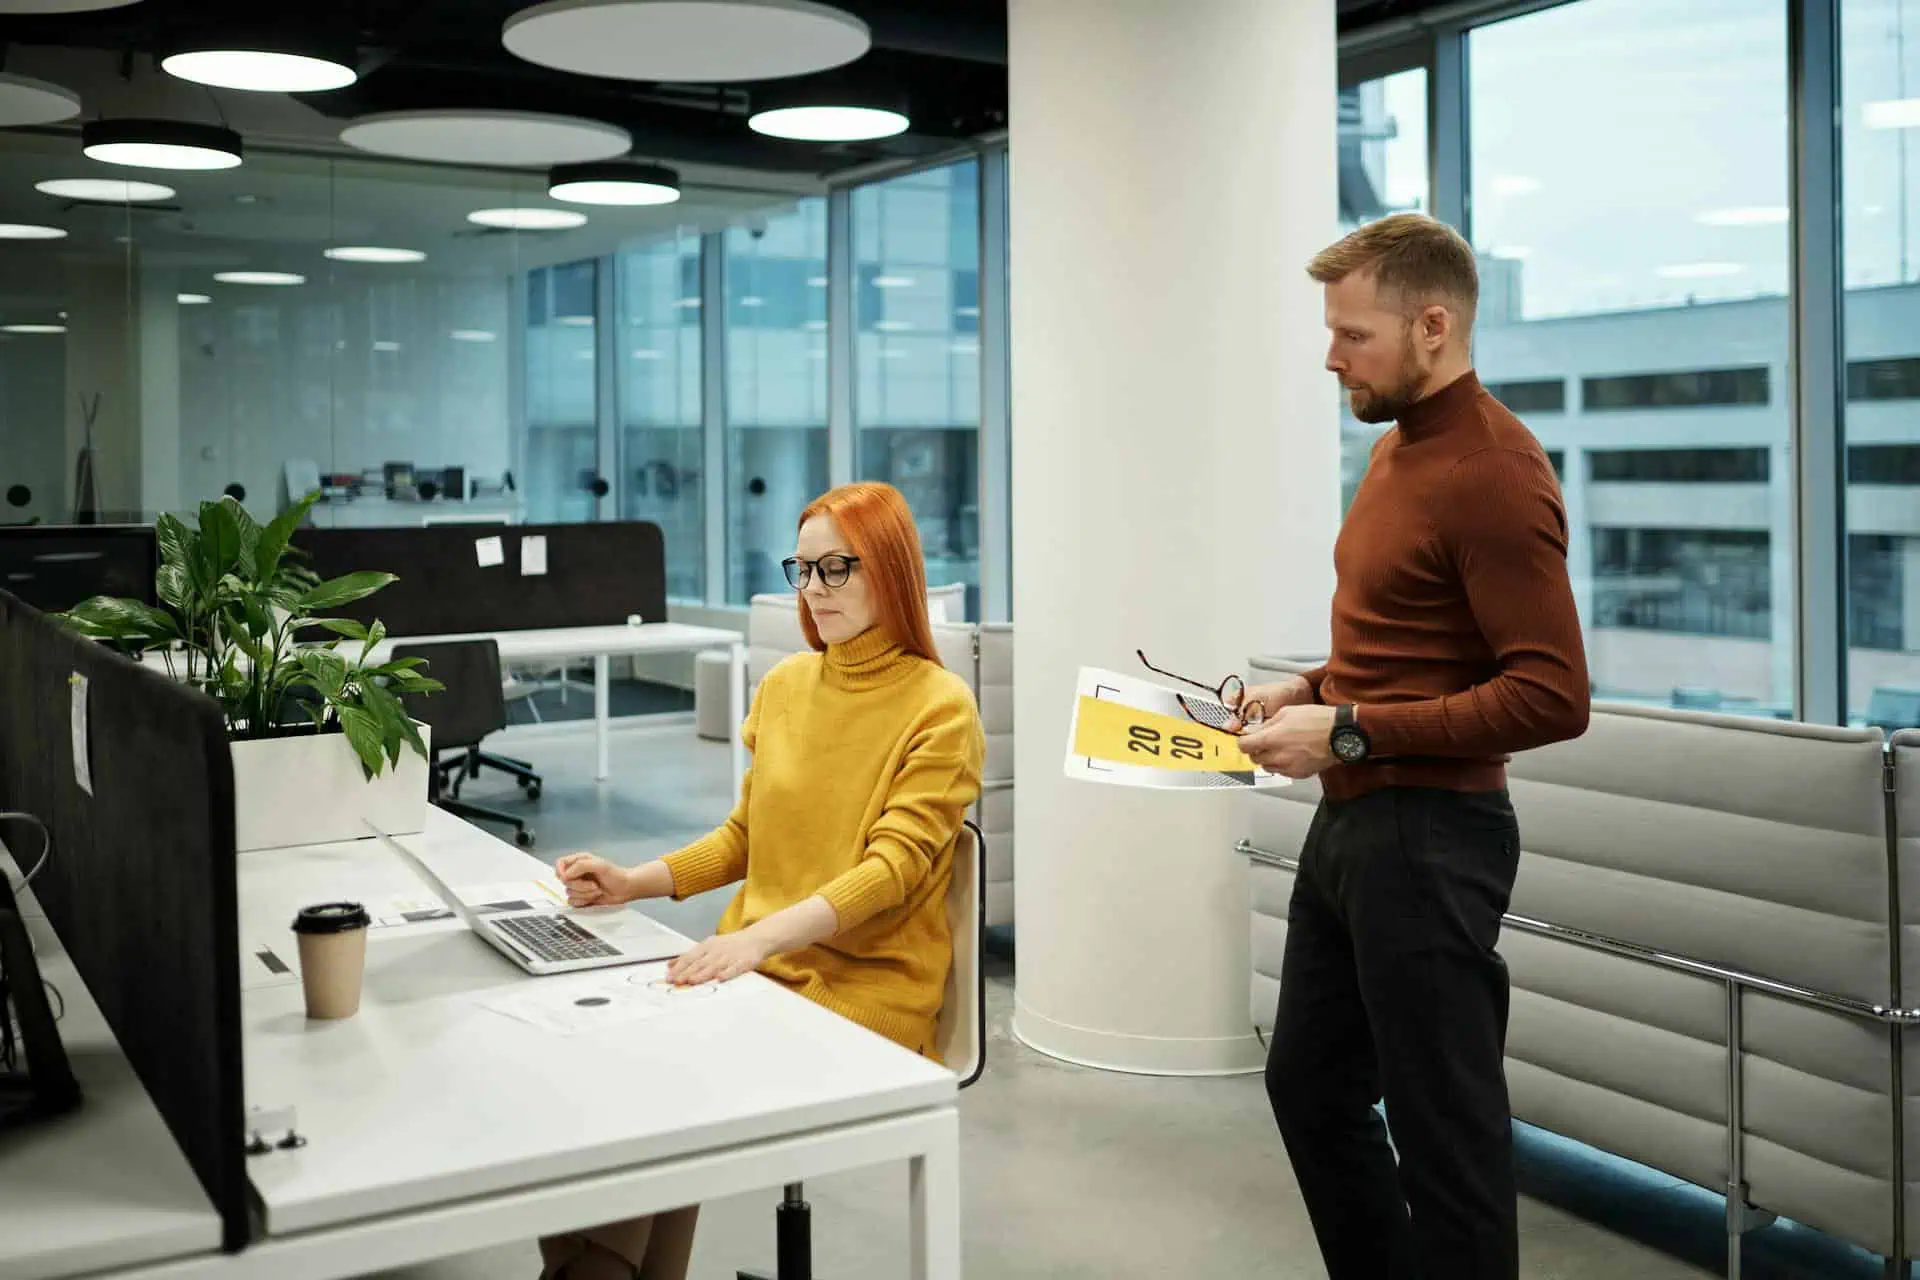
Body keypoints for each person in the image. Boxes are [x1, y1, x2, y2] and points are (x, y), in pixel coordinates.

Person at [1228, 212, 1590, 1280]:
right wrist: (1309, 685)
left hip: (1435, 838)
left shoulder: (1496, 470)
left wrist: (1343, 726)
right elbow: (1408, 645)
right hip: (1354, 825)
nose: (1331, 354)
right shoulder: (1394, 451)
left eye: (1354, 334)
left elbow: (1553, 694)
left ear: (1434, 325)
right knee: (1310, 1085)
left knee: (1450, 1141)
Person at [535, 481, 986, 1280]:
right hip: (759, 965)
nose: (814, 591)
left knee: (658, 1087)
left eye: (837, 568)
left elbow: (890, 873)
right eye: (803, 570)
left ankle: (594, 1269)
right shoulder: (785, 687)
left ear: (891, 569)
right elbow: (750, 837)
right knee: (592, 1072)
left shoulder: (940, 707)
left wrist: (754, 941)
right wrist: (631, 881)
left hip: (866, 988)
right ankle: (600, 1267)